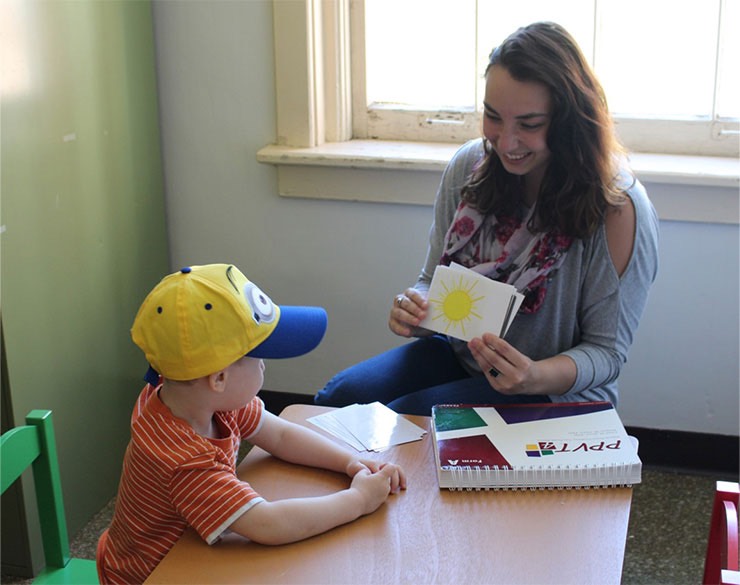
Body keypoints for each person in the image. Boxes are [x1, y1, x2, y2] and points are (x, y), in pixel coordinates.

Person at [315, 21, 659, 416]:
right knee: (336, 403)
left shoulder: (617, 207)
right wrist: (417, 308)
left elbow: (606, 353)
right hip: (463, 356)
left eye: (529, 124)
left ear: (569, 121)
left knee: (409, 423)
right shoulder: (469, 167)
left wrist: (532, 375)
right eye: (493, 117)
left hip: (556, 391)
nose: (506, 142)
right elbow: (432, 281)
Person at [96, 264, 406, 584]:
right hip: (152, 575)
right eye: (258, 357)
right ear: (218, 378)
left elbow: (281, 434)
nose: (264, 366)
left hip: (187, 551)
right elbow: (268, 525)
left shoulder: (193, 399)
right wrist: (358, 501)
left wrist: (349, 461)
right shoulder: (182, 459)